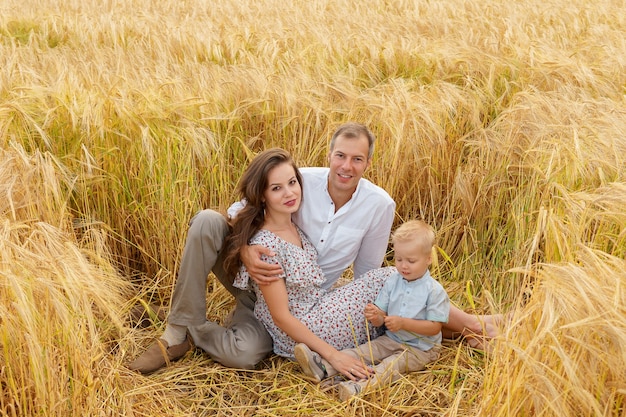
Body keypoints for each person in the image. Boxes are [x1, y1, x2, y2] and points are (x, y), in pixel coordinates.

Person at [128, 122, 499, 374]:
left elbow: (369, 270)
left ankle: (469, 328)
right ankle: (178, 329)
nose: (346, 166)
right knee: (208, 220)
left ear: (368, 163)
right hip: (259, 285)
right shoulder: (300, 182)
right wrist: (245, 251)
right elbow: (240, 211)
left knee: (248, 353)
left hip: (301, 304)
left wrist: (364, 313)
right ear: (329, 154)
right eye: (340, 155)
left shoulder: (377, 204)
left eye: (357, 159)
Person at [227, 147, 397, 378]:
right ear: (262, 195)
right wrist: (333, 355)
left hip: (317, 312)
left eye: (292, 182)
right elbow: (281, 316)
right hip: (304, 327)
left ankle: (449, 330)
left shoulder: (293, 226)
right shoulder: (266, 246)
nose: (289, 193)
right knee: (390, 278)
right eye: (277, 188)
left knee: (395, 293)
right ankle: (459, 326)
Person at [294, 220, 450, 401]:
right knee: (365, 351)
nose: (403, 266)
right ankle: (323, 366)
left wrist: (403, 323)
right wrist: (376, 316)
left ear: (428, 258)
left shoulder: (434, 290)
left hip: (420, 349)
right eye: (398, 259)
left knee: (391, 365)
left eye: (411, 261)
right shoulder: (393, 281)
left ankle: (360, 387)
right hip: (392, 339)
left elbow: (434, 327)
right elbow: (381, 316)